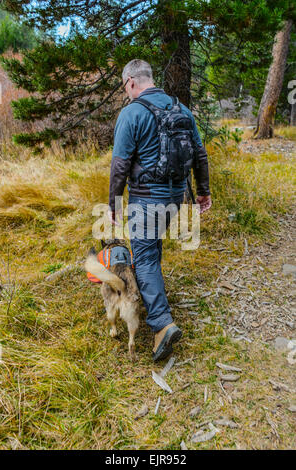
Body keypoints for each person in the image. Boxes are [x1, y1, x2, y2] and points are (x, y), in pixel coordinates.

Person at [108, 59, 212, 361]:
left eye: (125, 87)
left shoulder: (132, 113)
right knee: (150, 251)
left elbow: (120, 165)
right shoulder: (181, 109)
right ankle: (153, 298)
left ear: (130, 82)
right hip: (175, 198)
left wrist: (114, 203)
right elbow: (200, 154)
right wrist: (203, 191)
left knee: (144, 258)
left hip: (145, 199)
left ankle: (161, 324)